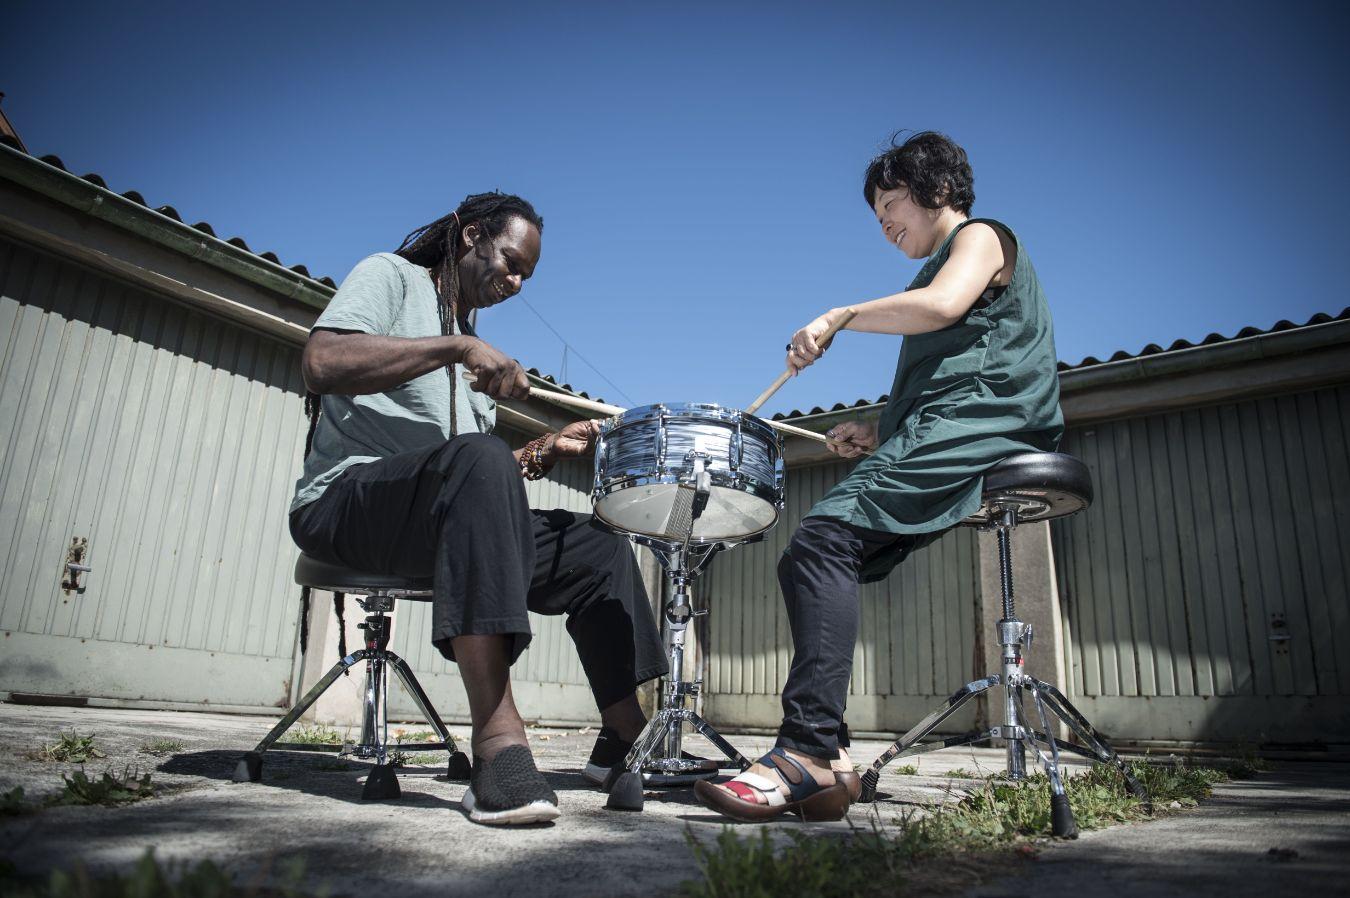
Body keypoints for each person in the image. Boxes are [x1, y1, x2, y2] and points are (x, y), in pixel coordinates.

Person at [696, 132, 1064, 821]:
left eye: (892, 203)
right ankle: (831, 762)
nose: (886, 222)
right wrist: (880, 434)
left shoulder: (980, 237)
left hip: (986, 422)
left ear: (940, 193)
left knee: (820, 542)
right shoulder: (932, 273)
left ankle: (804, 749)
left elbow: (948, 309)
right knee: (809, 559)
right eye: (878, 214)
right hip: (953, 423)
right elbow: (949, 359)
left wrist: (840, 315)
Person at [289, 192, 667, 826]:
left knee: (597, 542)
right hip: (345, 504)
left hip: (432, 517)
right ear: (470, 236)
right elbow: (321, 362)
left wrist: (542, 449)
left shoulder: (469, 337)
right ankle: (496, 745)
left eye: (526, 276)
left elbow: (470, 478)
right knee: (478, 457)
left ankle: (624, 735)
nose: (515, 283)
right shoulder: (392, 278)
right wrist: (453, 349)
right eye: (511, 262)